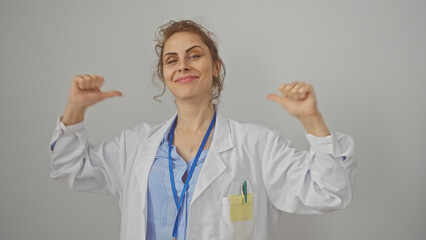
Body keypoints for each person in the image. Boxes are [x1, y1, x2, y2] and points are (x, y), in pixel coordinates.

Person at [49, 20, 356, 240]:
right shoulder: (135, 146)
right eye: (172, 60)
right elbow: (69, 168)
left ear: (216, 66)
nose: (182, 65)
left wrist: (311, 119)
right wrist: (76, 109)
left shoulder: (256, 144)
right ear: (165, 75)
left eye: (194, 55)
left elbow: (328, 193)